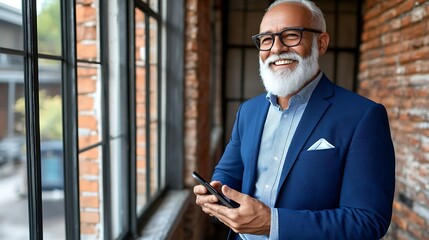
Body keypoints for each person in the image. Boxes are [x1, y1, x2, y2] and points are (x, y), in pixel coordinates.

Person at [193, 0, 395, 239]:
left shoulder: (363, 116)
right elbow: (228, 172)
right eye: (266, 39)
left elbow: (368, 221)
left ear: (321, 43)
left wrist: (273, 224)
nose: (276, 48)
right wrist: (216, 192)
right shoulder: (248, 111)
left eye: (291, 35)